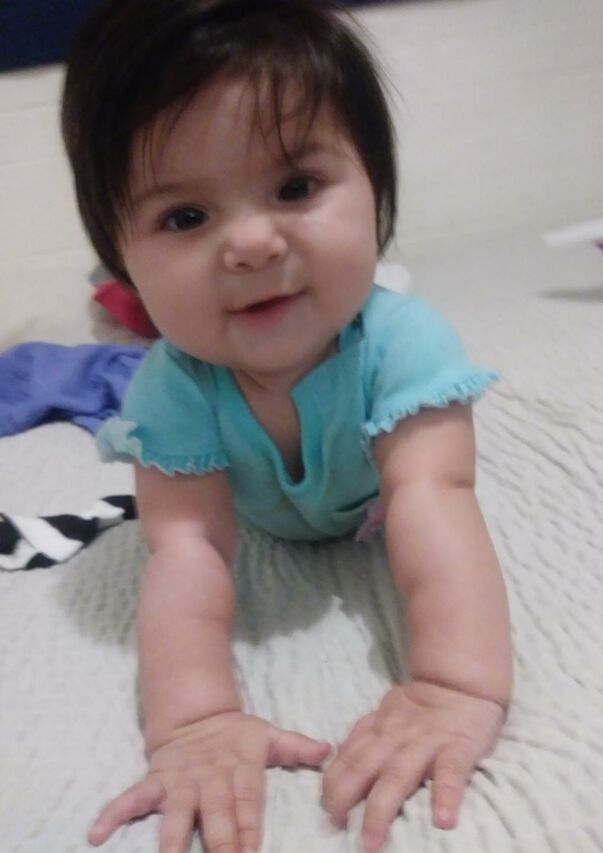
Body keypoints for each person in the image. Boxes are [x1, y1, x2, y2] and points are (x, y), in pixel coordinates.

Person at [62, 1, 512, 851]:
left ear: (376, 191)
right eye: (185, 217)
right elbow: (187, 546)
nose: (253, 243)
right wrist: (193, 720)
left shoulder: (401, 343)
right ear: (123, 260)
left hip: (375, 500)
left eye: (296, 187)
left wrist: (456, 684)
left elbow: (434, 496)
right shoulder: (173, 385)